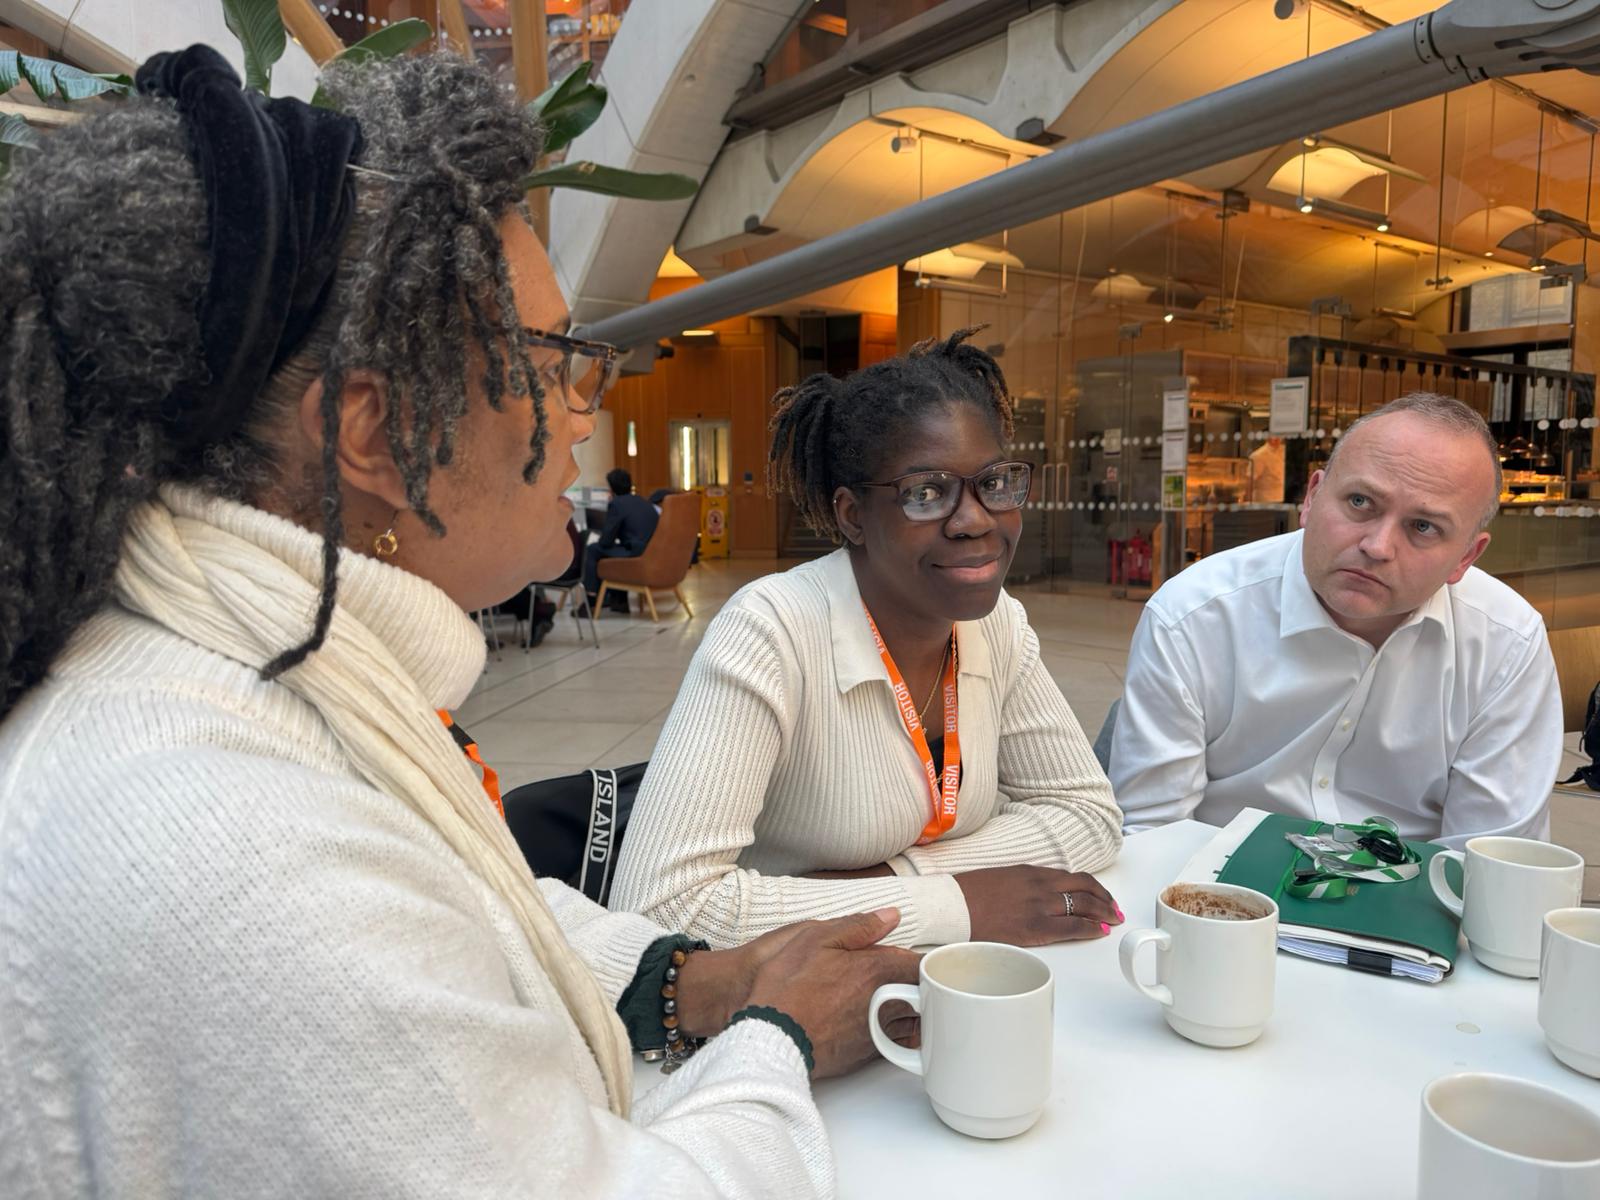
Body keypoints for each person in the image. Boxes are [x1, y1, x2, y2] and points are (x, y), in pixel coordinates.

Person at [0, 47, 920, 1198]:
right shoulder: (231, 836)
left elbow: (449, 908)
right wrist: (773, 1036)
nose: (588, 414)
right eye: (557, 362)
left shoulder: (253, 673)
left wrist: (694, 980)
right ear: (377, 438)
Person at [612, 331, 1125, 950]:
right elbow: (664, 910)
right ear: (853, 515)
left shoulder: (996, 624)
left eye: (995, 482)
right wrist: (958, 903)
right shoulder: (772, 631)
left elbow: (1090, 816)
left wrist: (899, 878)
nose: (974, 520)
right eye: (927, 493)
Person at [1111, 393, 1562, 848]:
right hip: (1219, 893)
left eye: (1423, 527)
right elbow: (1154, 835)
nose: (1378, 546)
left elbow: (1491, 858)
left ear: (1465, 556)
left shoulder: (1507, 642)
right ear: (1311, 497)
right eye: (1360, 501)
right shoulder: (1195, 615)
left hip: (1413, 902)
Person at [584, 466, 659, 613]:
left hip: (635, 554)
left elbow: (606, 541)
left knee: (593, 549)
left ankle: (591, 601)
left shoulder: (617, 504)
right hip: (650, 553)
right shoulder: (644, 502)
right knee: (614, 551)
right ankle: (619, 601)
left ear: (611, 488)